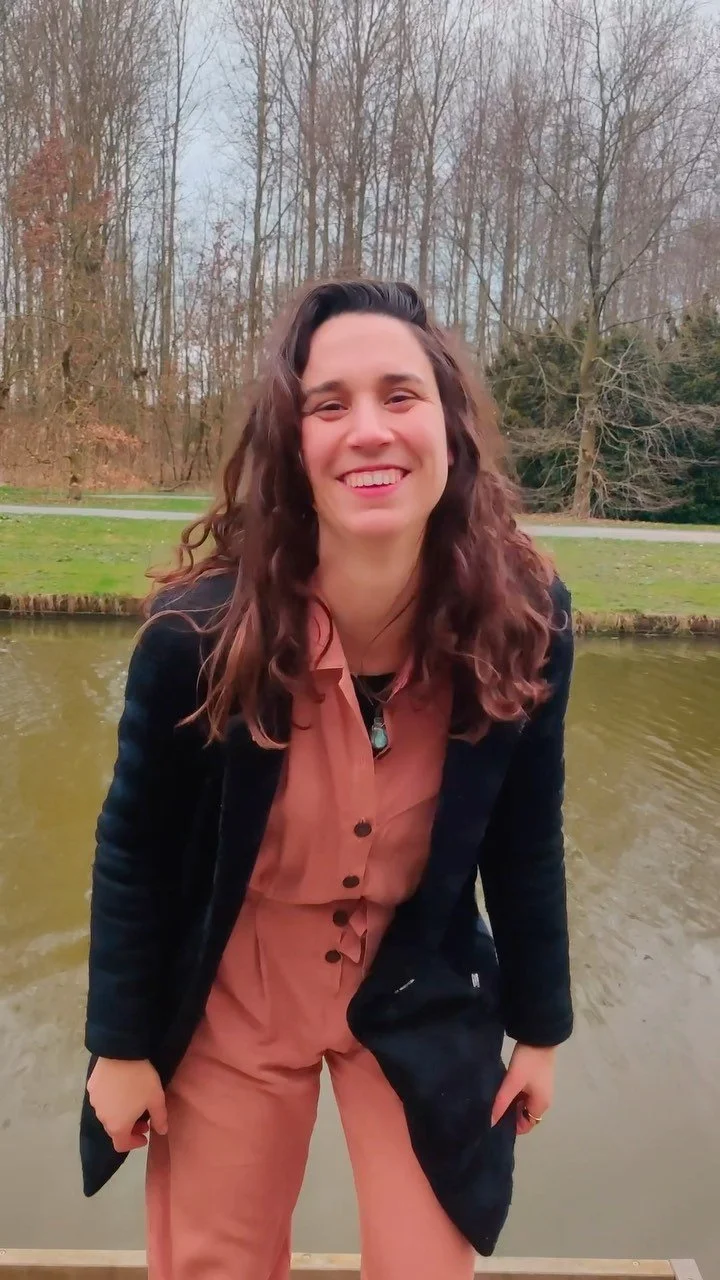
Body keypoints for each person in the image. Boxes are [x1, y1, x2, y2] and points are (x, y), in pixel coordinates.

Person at [80, 278, 574, 1280]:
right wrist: (120, 1048)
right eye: (329, 404)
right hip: (238, 982)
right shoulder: (197, 638)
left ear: (449, 427)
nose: (369, 430)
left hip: (417, 969)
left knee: (429, 1264)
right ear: (291, 444)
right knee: (213, 1263)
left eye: (400, 394)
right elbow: (135, 851)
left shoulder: (524, 621)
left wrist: (539, 1028)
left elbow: (527, 839)